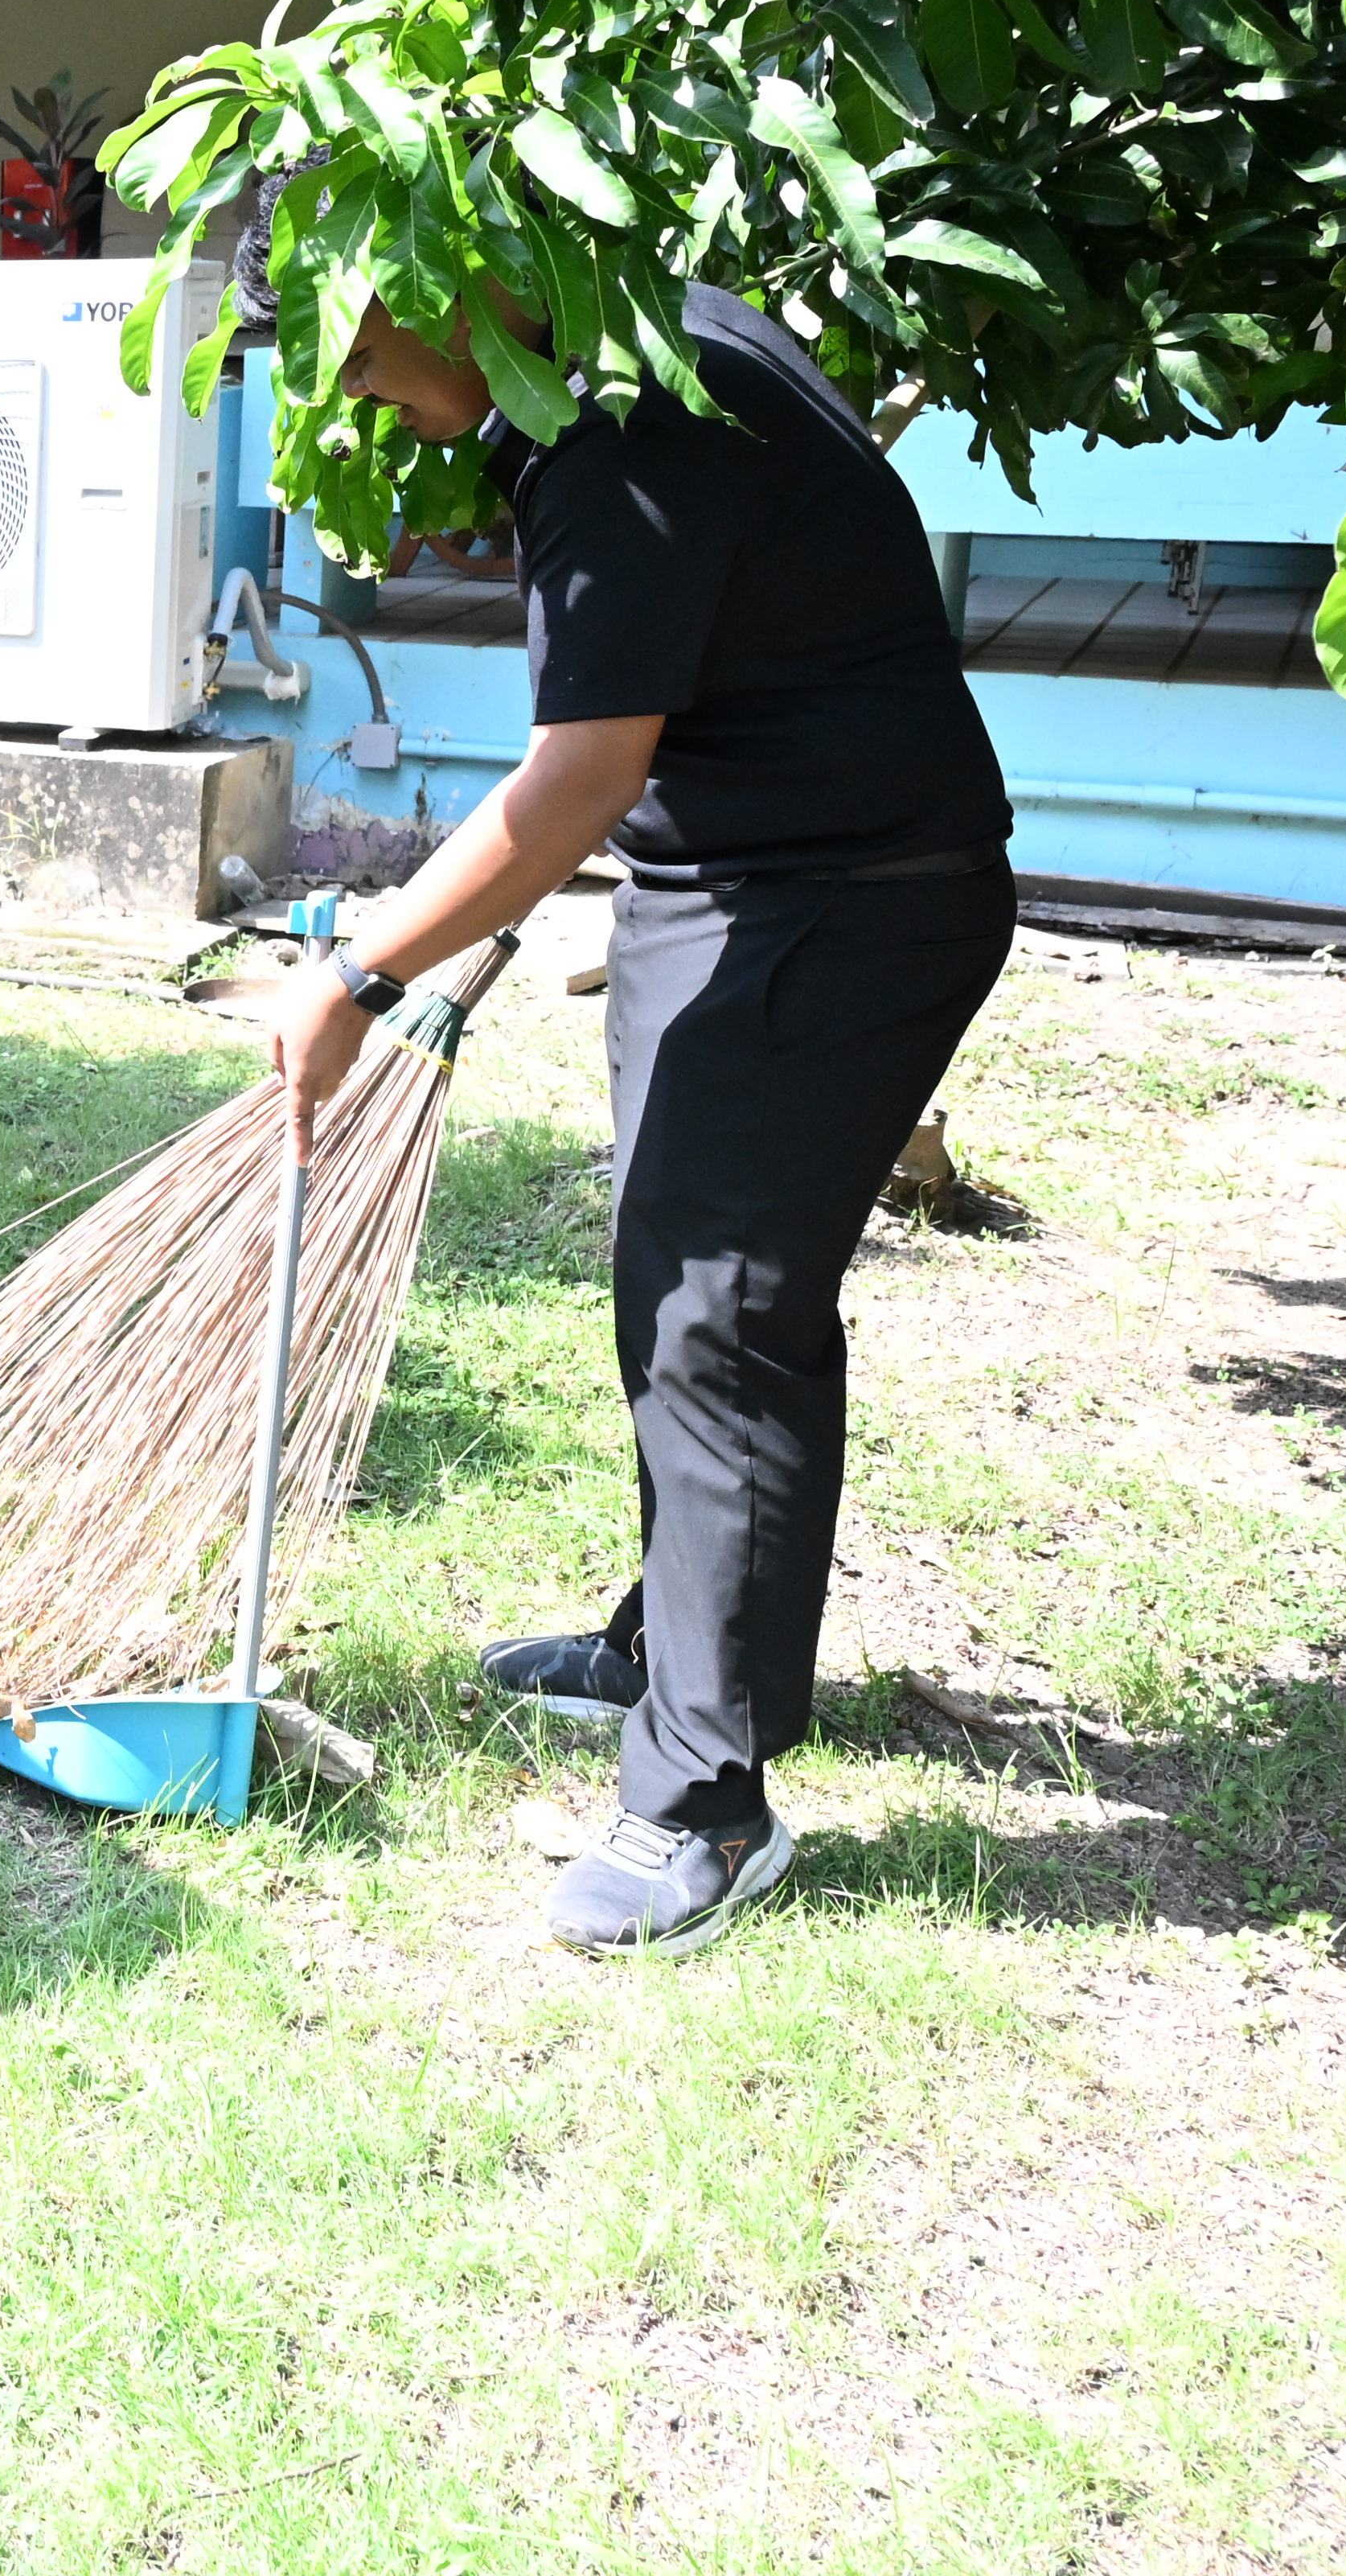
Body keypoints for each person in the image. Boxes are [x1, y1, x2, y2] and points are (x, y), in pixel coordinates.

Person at [256, 260, 1012, 1958]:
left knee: (717, 1318)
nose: (369, 397)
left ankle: (702, 1806)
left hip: (834, 901)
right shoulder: (649, 333)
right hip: (747, 881)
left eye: (368, 359)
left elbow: (576, 776)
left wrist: (356, 978)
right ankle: (672, 1654)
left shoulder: (628, 435)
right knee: (676, 1287)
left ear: (464, 283)